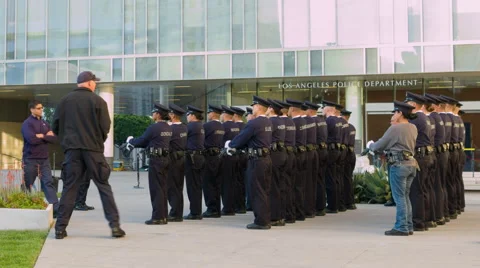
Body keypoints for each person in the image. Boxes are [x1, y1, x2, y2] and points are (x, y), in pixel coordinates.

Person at [52, 71, 125, 239]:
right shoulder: (98, 101)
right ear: (90, 83)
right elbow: (105, 127)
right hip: (93, 151)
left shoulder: (64, 101)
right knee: (103, 186)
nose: (96, 85)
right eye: (95, 82)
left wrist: (67, 142)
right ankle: (115, 227)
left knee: (69, 188)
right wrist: (97, 141)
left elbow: (55, 126)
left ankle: (60, 229)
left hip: (72, 151)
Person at [367, 101, 418, 236]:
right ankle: (408, 225)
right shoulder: (413, 127)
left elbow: (379, 146)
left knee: (399, 198)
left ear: (400, 113)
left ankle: (401, 227)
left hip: (399, 165)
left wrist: (371, 145)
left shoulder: (395, 128)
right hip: (411, 164)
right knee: (405, 197)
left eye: (395, 112)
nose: (394, 115)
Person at [227, 96, 273, 229]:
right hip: (265, 158)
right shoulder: (268, 122)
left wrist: (230, 145)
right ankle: (265, 218)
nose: (252, 108)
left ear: (258, 107)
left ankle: (261, 221)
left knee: (257, 190)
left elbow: (240, 140)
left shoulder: (255, 123)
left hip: (257, 160)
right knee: (264, 189)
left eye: (253, 106)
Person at [127, 103, 172, 225]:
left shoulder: (154, 128)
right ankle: (163, 216)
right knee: (162, 188)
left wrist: (130, 140)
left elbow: (142, 140)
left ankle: (157, 217)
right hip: (166, 158)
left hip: (156, 160)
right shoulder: (168, 128)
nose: (152, 114)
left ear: (157, 114)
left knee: (156, 189)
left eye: (153, 112)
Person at [21, 100, 59, 214]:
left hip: (44, 159)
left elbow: (54, 139)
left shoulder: (45, 123)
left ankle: (56, 208)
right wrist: (46, 136)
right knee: (28, 183)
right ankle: (23, 204)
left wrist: (41, 136)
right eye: (38, 108)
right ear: (32, 109)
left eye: (42, 108)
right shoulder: (27, 124)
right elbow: (31, 139)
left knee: (48, 182)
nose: (41, 110)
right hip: (30, 159)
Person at [404, 92, 433, 231]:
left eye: (408, 103)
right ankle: (425, 219)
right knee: (423, 190)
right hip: (426, 155)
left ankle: (417, 221)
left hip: (419, 156)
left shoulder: (416, 117)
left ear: (414, 104)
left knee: (416, 191)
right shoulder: (425, 117)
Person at [266, 99, 287, 226]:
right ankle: (280, 215)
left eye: (268, 108)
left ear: (272, 109)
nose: (267, 110)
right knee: (279, 185)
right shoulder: (281, 121)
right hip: (281, 154)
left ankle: (274, 217)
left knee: (273, 186)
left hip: (274, 155)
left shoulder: (271, 121)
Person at [202, 105, 225, 218]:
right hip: (219, 155)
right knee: (217, 183)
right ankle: (217, 208)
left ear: (212, 113)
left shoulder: (207, 126)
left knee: (209, 183)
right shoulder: (221, 126)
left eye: (209, 113)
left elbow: (201, 140)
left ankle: (211, 209)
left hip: (209, 156)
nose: (208, 115)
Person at [276, 100, 297, 224]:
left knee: (282, 185)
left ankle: (284, 214)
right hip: (291, 153)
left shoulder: (280, 122)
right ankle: (290, 213)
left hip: (283, 154)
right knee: (290, 185)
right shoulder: (291, 122)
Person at [184, 105, 206, 220]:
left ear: (192, 115)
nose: (187, 117)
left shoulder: (191, 126)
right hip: (199, 156)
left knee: (192, 186)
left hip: (192, 158)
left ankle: (195, 212)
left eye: (188, 114)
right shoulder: (200, 126)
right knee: (197, 185)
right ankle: (197, 211)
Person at [166, 104, 187, 222]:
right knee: (179, 186)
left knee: (172, 187)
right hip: (182, 158)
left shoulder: (171, 129)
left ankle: (175, 213)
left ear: (173, 115)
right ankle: (178, 212)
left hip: (173, 159)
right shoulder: (184, 128)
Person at [322, 100, 344, 214]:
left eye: (324, 108)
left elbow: (325, 136)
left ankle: (332, 205)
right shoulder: (338, 121)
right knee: (335, 178)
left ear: (329, 109)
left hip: (331, 150)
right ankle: (337, 203)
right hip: (337, 149)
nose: (322, 110)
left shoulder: (329, 120)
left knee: (330, 178)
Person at [220, 105, 241, 216]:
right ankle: (232, 206)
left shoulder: (223, 126)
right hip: (235, 156)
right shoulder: (235, 126)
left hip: (226, 157)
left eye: (222, 114)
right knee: (233, 182)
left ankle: (228, 208)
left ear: (225, 114)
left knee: (226, 183)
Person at [303, 102, 319, 218]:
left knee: (305, 183)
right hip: (314, 151)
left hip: (305, 153)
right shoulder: (317, 121)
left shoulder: (306, 121)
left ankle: (307, 209)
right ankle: (312, 209)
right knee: (312, 182)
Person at [230, 106, 248, 214]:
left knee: (235, 181)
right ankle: (242, 204)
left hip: (235, 155)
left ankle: (238, 205)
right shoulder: (245, 126)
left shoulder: (233, 126)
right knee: (242, 181)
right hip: (245, 156)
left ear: (235, 115)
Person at [341, 110, 357, 210]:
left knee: (344, 179)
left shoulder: (344, 127)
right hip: (351, 154)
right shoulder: (352, 127)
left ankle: (345, 202)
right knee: (348, 178)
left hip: (346, 154)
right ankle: (350, 202)